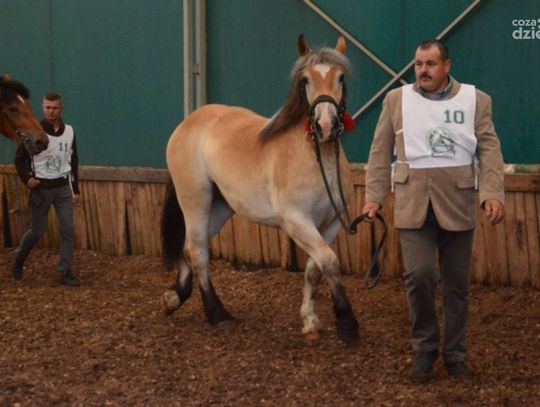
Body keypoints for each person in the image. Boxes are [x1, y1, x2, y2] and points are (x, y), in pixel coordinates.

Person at [362, 40, 504, 381]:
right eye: (418, 64)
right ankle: (424, 349)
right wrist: (374, 196)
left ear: (447, 66)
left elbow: (489, 149)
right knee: (419, 276)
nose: (423, 70)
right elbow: (379, 152)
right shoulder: (396, 100)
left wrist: (491, 193)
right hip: (412, 203)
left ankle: (455, 356)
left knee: (457, 286)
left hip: (458, 203)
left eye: (430, 63)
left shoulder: (476, 100)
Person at [10, 92, 81, 286]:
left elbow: (73, 160)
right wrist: (27, 178)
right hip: (42, 188)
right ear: (43, 108)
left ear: (61, 108)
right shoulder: (34, 131)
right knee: (36, 231)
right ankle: (19, 259)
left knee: (67, 230)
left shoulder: (69, 132)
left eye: (55, 108)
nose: (51, 111)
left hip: (62, 187)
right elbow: (19, 160)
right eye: (47, 107)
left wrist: (75, 189)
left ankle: (65, 270)